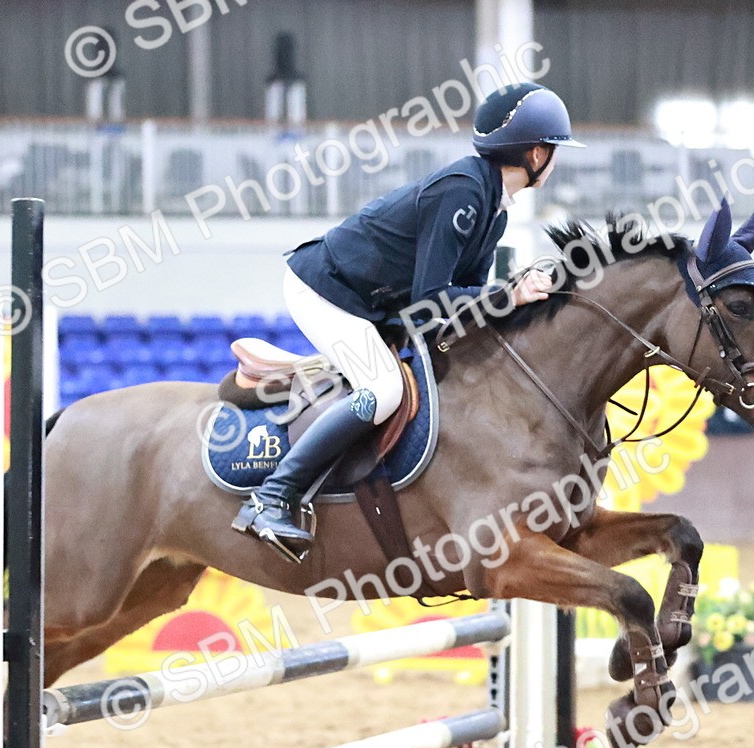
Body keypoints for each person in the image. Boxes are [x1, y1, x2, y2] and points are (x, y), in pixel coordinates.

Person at [231, 82, 584, 563]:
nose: (555, 161)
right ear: (537, 153)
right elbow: (431, 300)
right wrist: (510, 292)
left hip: (373, 305)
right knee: (384, 391)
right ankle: (272, 497)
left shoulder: (493, 214)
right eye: (555, 151)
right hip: (326, 290)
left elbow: (459, 311)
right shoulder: (462, 191)